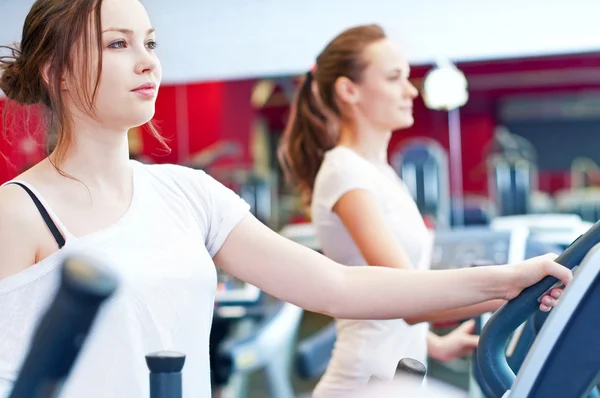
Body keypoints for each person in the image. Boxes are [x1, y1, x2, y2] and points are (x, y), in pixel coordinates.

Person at [0, 1, 568, 397]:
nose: (148, 60)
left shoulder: (187, 193)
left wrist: (506, 280)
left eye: (150, 42)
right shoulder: (19, 212)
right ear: (58, 74)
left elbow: (338, 285)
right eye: (118, 44)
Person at [277, 24, 557, 397]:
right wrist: (521, 287)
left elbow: (390, 300)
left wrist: (435, 344)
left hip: (396, 376)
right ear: (349, 90)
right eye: (394, 78)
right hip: (362, 383)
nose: (411, 90)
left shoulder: (378, 171)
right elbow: (406, 295)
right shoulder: (346, 172)